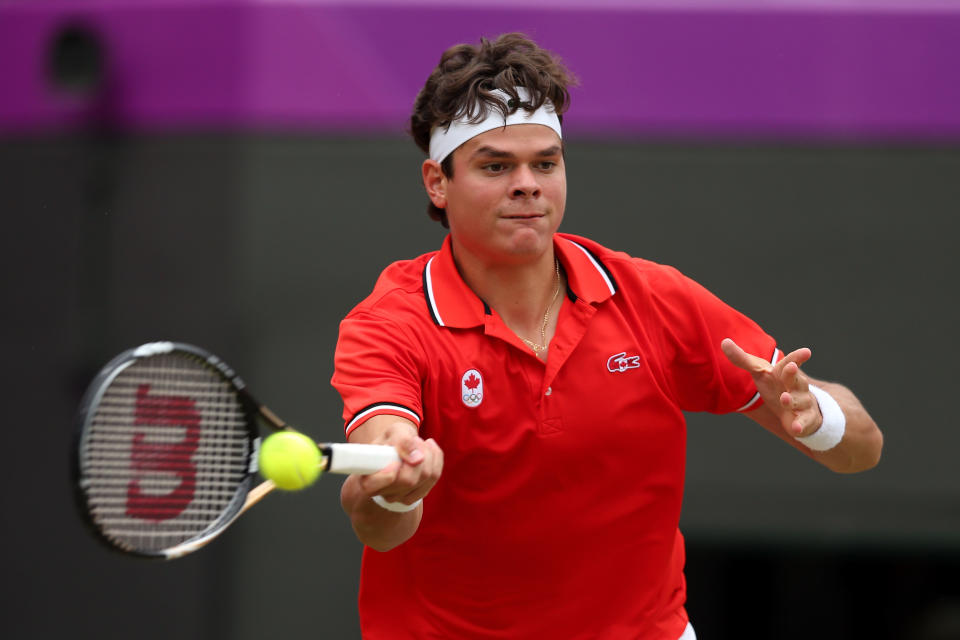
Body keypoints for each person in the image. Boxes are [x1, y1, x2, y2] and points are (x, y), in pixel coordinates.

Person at [332, 33, 882, 640]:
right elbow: (380, 513)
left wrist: (817, 413)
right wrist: (397, 491)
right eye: (496, 166)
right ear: (438, 182)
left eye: (545, 163)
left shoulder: (654, 298)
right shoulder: (390, 323)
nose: (528, 184)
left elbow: (861, 451)